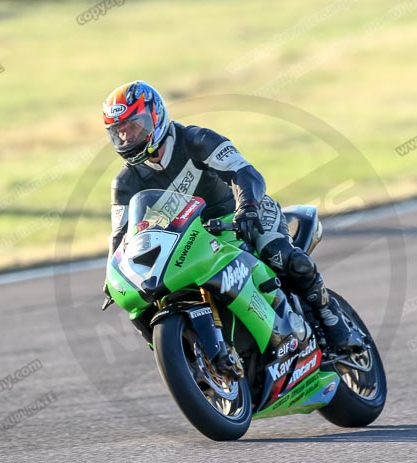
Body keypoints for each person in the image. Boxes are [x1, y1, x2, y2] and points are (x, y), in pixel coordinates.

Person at [102, 80, 362, 351]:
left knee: (281, 255)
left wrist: (246, 208)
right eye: (119, 132)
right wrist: (114, 276)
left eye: (134, 126)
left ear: (156, 117)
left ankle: (331, 318)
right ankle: (192, 358)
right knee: (144, 302)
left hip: (239, 215)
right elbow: (121, 235)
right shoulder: (125, 183)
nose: (127, 138)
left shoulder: (196, 140)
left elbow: (245, 173)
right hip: (189, 240)